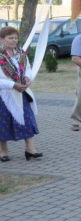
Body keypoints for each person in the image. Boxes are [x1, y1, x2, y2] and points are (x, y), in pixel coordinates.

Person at [0, 26, 42, 162]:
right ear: (1, 39)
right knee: (3, 121)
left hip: (21, 93)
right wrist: (13, 85)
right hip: (4, 95)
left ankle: (30, 149)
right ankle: (3, 151)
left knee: (27, 119)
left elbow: (28, 68)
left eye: (16, 38)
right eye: (10, 38)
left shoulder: (20, 53)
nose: (14, 40)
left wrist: (27, 77)